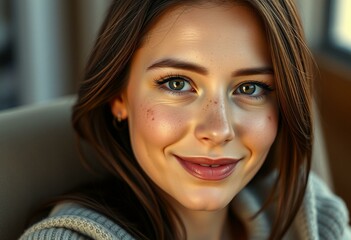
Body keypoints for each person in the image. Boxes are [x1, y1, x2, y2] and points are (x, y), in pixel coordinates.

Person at [20, 0, 350, 239]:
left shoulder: (314, 216)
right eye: (177, 83)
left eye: (250, 88)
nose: (218, 130)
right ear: (119, 96)